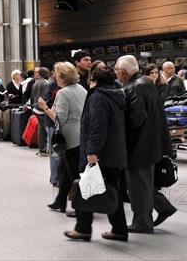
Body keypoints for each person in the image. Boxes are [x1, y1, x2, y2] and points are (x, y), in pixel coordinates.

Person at [63, 67, 129, 242]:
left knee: (87, 188)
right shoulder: (116, 95)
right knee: (112, 190)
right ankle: (119, 229)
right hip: (114, 152)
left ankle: (83, 229)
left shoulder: (98, 97)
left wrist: (92, 152)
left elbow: (97, 128)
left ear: (95, 81)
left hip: (101, 154)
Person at [115, 55, 176, 233]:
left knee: (137, 186)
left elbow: (135, 120)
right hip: (152, 141)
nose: (116, 74)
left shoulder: (134, 87)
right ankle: (163, 206)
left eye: (117, 71)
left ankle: (142, 222)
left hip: (139, 145)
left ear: (124, 73)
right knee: (143, 182)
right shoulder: (146, 82)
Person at [40, 62, 87, 216]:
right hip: (81, 135)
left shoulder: (63, 93)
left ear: (61, 77)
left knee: (74, 173)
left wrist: (45, 107)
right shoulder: (81, 89)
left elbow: (59, 118)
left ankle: (80, 208)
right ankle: (60, 201)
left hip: (69, 138)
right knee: (65, 171)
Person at [31, 67, 51, 156]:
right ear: (44, 74)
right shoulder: (46, 83)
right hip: (43, 109)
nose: (49, 74)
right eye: (47, 72)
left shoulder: (36, 83)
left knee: (41, 130)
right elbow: (45, 97)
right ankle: (50, 149)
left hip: (36, 108)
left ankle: (42, 149)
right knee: (49, 130)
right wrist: (47, 108)